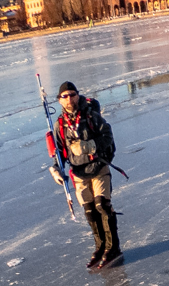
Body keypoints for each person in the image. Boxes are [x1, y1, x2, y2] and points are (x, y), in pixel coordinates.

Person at [48, 82, 123, 270]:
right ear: (59, 100)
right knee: (90, 211)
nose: (69, 99)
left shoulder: (91, 116)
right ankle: (101, 247)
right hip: (79, 173)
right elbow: (59, 151)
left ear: (77, 95)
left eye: (71, 95)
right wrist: (56, 169)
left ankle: (113, 248)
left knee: (103, 206)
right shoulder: (60, 124)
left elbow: (108, 137)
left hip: (98, 167)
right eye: (64, 96)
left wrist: (89, 145)